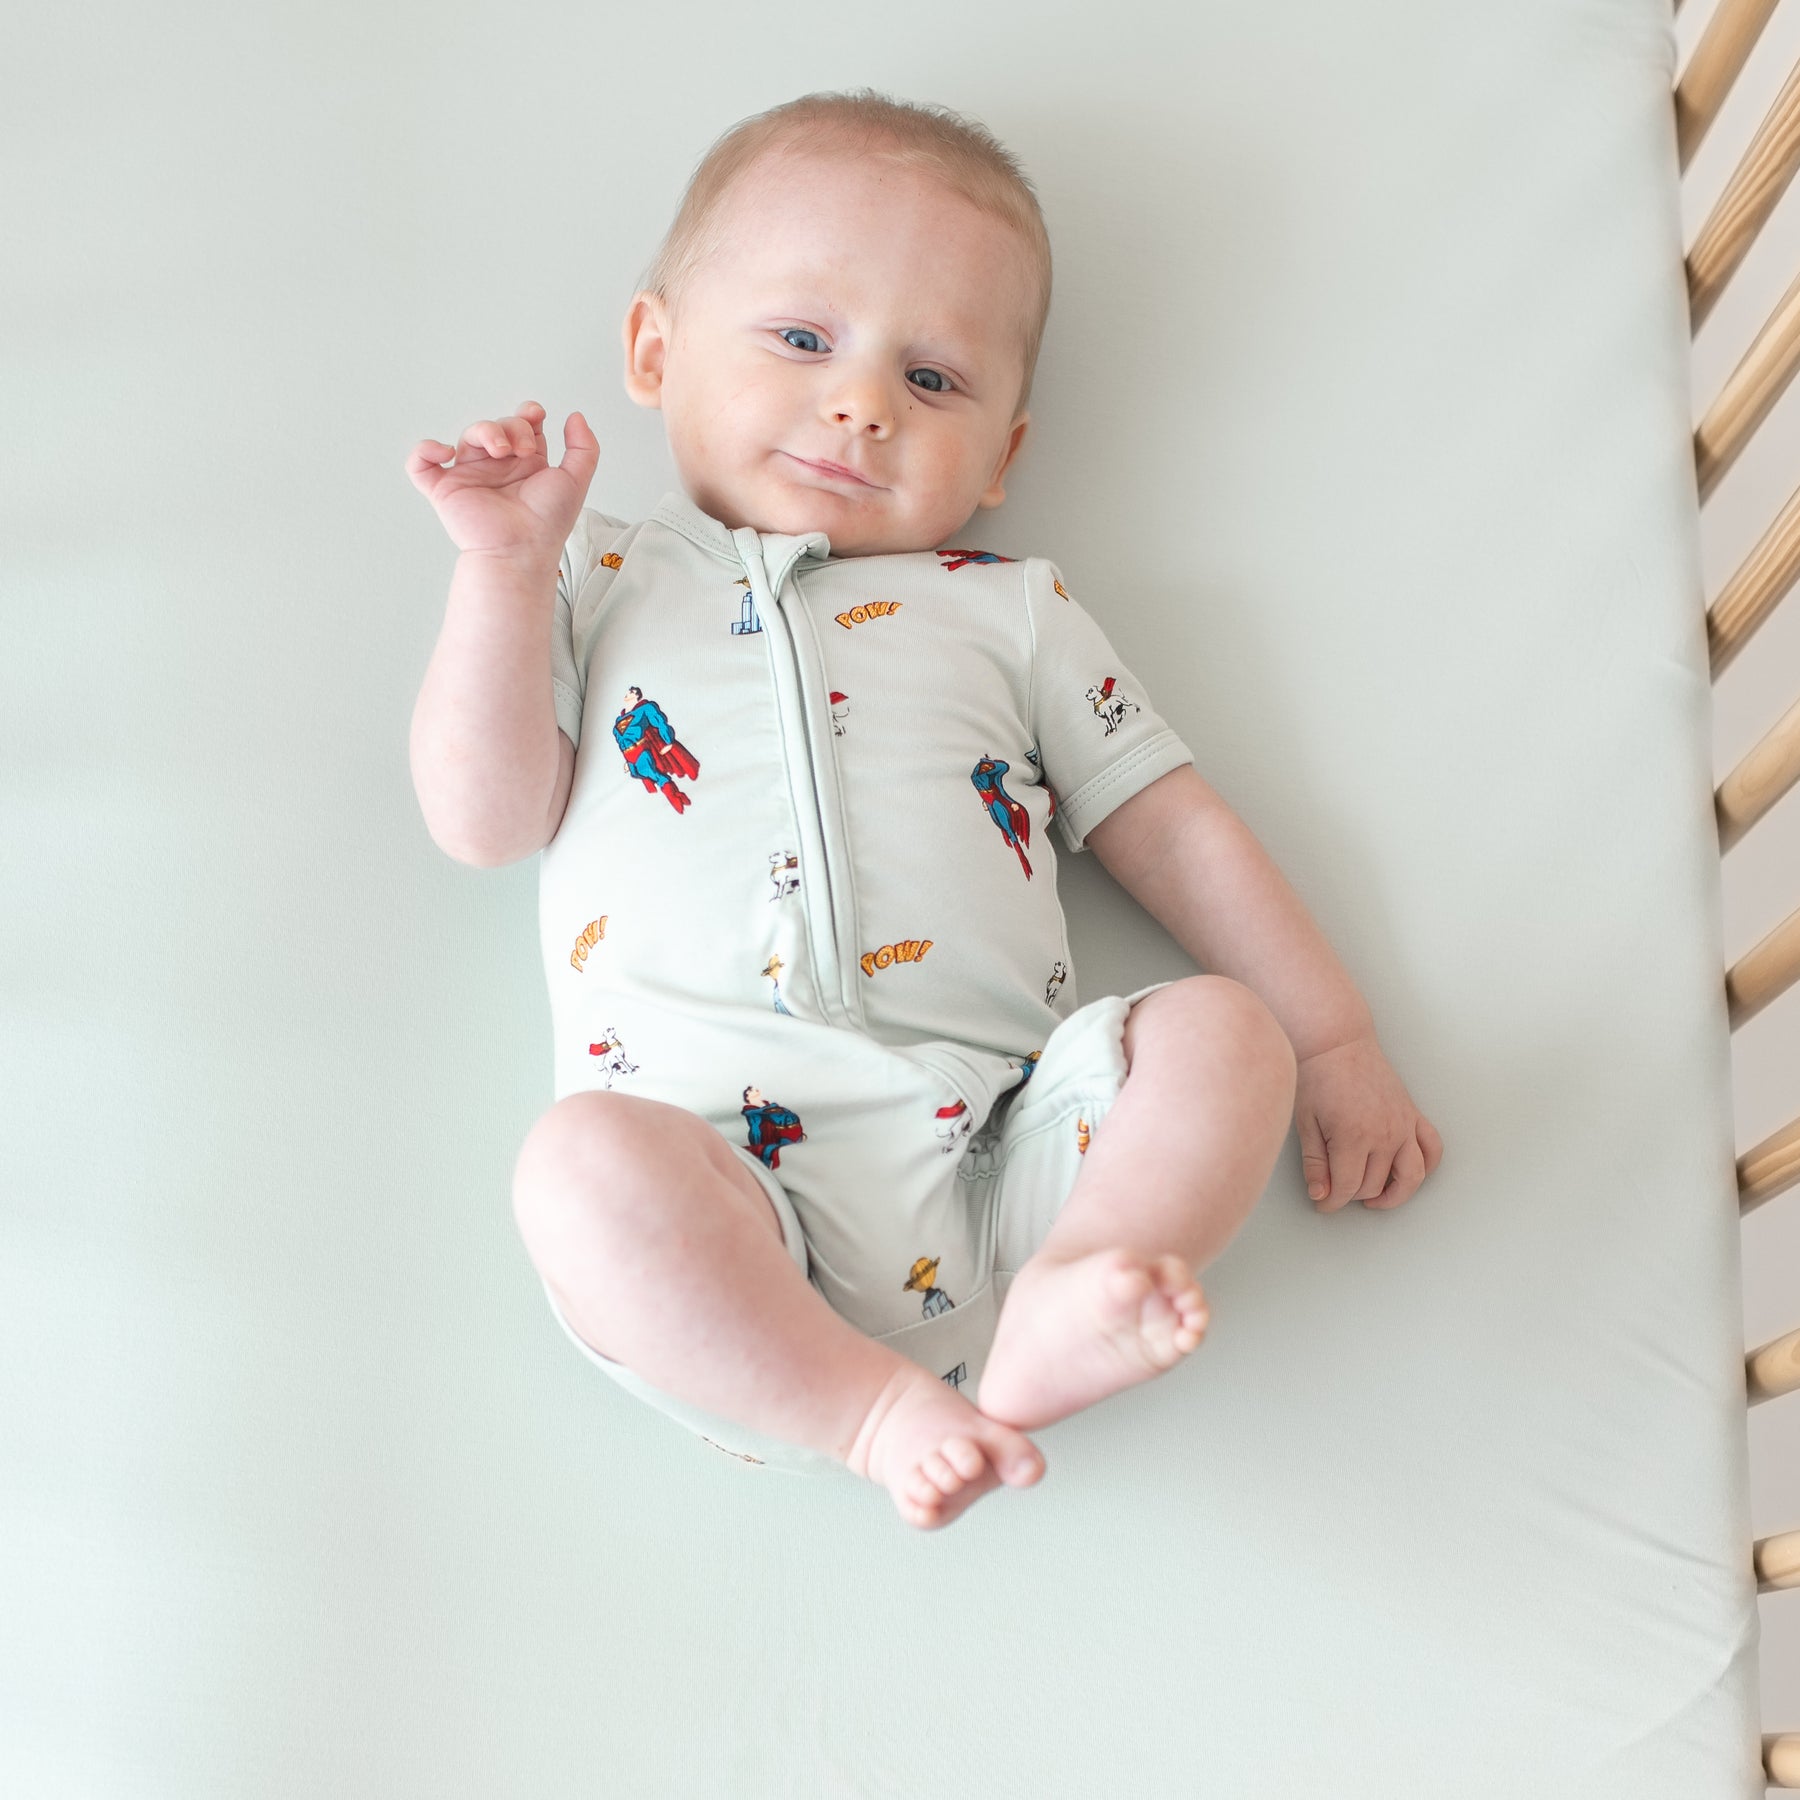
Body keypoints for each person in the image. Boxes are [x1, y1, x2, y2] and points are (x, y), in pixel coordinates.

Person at [406, 89, 1442, 1531]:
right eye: (803, 339)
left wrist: (1332, 1039)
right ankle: (868, 1409)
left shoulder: (1008, 612)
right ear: (655, 351)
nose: (863, 402)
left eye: (936, 381)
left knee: (1223, 1032)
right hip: (715, 1203)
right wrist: (502, 574)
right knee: (577, 1169)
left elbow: (1177, 827)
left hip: (1006, 1160)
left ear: (1003, 458)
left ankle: (1090, 1284)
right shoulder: (594, 576)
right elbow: (483, 816)